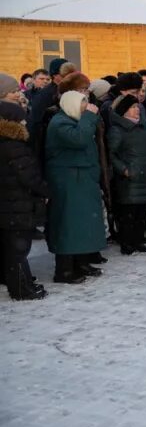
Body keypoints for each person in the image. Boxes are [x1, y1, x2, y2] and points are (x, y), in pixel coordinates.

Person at [45, 90, 107, 283]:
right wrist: (89, 116)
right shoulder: (60, 123)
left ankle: (80, 262)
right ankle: (64, 270)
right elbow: (79, 139)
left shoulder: (74, 120)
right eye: (82, 103)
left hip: (81, 180)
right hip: (69, 182)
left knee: (83, 224)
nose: (86, 107)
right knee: (68, 225)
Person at [0, 102, 49, 300]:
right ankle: (21, 289)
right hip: (16, 204)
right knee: (18, 250)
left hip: (7, 204)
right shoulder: (14, 146)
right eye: (21, 119)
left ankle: (23, 283)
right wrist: (46, 190)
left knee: (11, 249)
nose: (25, 122)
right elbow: (29, 176)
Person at [108, 95, 146, 255]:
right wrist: (124, 169)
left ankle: (138, 240)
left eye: (137, 107)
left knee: (142, 212)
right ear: (123, 111)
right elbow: (112, 154)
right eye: (132, 107)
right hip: (129, 178)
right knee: (128, 213)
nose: (136, 109)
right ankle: (127, 242)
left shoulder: (144, 128)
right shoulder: (117, 130)